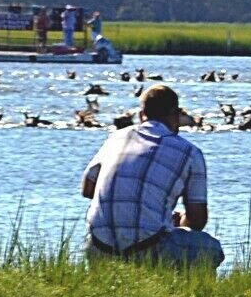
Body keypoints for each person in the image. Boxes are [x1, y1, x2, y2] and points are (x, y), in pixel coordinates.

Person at [82, 83, 225, 269]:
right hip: (147, 251)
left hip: (99, 248)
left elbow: (87, 189)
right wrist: (175, 221)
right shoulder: (190, 153)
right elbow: (197, 220)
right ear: (175, 115)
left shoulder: (116, 138)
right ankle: (185, 295)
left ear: (141, 114)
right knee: (211, 249)